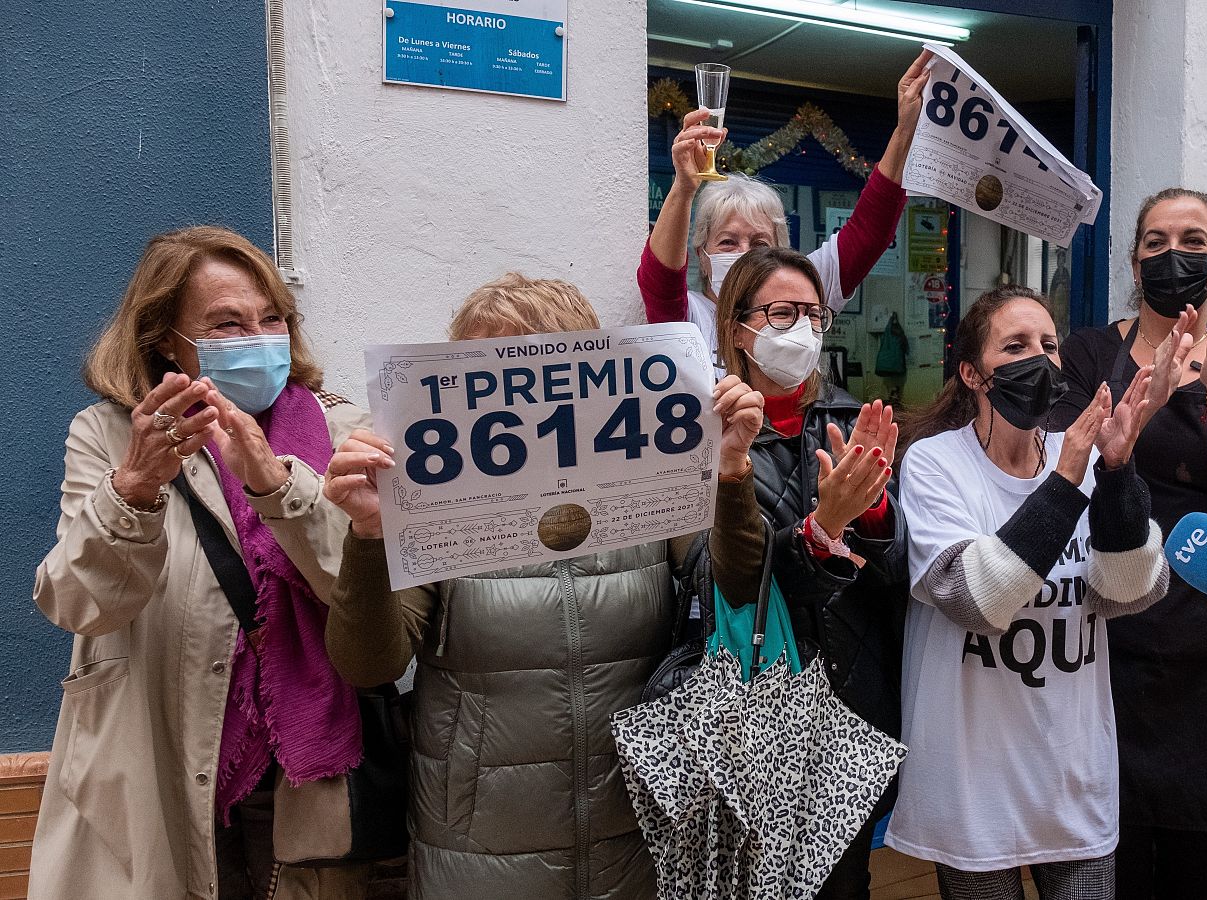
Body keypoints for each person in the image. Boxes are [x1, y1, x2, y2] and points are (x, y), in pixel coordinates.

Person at [319, 274, 768, 899]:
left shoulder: (645, 479)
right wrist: (369, 534)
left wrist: (730, 473)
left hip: (635, 827)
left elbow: (738, 585)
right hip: (478, 847)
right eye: (494, 373)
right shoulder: (432, 498)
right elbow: (369, 661)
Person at [32, 226, 372, 900]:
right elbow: (77, 602)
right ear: (166, 339)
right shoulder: (105, 434)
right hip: (156, 756)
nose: (260, 336)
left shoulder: (340, 431)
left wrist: (277, 485)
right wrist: (131, 491)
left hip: (298, 775)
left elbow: (362, 597)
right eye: (227, 323)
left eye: (271, 317)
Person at [1055, 188, 1207, 900]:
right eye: (1157, 242)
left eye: (1193, 241)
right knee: (1118, 840)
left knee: (1197, 853)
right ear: (1134, 262)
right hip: (1111, 630)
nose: (1175, 256)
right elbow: (1070, 474)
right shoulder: (1087, 354)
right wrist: (1144, 408)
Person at [887, 286, 1175, 900]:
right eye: (1014, 346)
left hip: (1071, 770)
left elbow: (1128, 591)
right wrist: (1071, 478)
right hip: (971, 780)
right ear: (971, 373)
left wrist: (1117, 470)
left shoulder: (1082, 456)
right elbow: (977, 598)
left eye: (1049, 345)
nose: (1038, 359)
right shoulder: (934, 463)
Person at [709, 246, 909, 898]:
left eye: (814, 316)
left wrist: (872, 514)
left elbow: (895, 580)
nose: (802, 330)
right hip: (749, 710)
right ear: (739, 329)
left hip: (847, 707)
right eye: (783, 313)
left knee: (843, 883)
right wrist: (820, 531)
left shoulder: (853, 422)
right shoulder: (702, 432)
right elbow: (729, 580)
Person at [638, 51, 931, 363]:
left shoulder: (800, 291)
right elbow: (661, 277)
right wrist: (684, 189)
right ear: (702, 255)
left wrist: (905, 131)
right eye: (727, 242)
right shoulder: (690, 317)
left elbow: (868, 233)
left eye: (760, 243)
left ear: (780, 250)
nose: (744, 253)